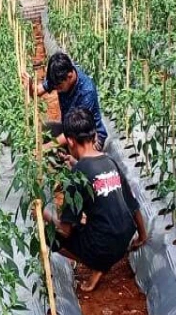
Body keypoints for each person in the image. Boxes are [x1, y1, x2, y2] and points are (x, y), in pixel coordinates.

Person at [47, 108, 146, 292]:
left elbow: (66, 230)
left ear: (70, 141)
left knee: (51, 235)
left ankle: (98, 264)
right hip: (125, 240)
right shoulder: (109, 161)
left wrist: (45, 215)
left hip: (103, 247)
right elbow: (133, 203)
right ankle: (102, 260)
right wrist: (142, 236)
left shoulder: (77, 175)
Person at [25, 52, 108, 150]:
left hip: (89, 138)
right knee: (41, 130)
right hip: (69, 130)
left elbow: (78, 130)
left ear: (70, 76)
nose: (57, 89)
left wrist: (45, 148)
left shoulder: (86, 91)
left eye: (59, 87)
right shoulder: (59, 77)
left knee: (74, 158)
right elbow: (37, 91)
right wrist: (30, 85)